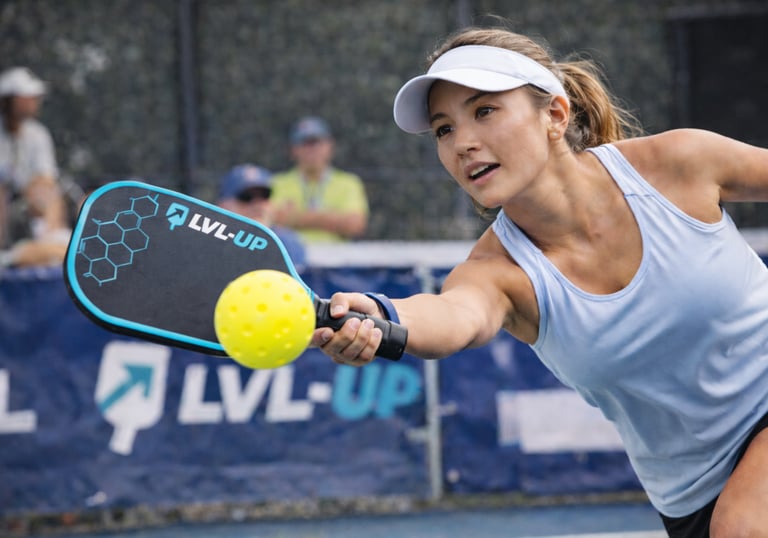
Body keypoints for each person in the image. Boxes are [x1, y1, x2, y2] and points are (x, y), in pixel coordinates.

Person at [310, 26, 768, 537]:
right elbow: (452, 314)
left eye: (485, 111)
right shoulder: (497, 273)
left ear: (555, 114)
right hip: (692, 500)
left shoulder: (678, 163)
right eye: (443, 129)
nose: (463, 143)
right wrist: (383, 315)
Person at [0, 66, 69, 268]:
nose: (34, 102)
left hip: (26, 215)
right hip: (8, 214)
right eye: (27, 97)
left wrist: (38, 195)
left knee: (46, 192)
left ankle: (47, 243)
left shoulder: (39, 134)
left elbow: (45, 180)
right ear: (9, 100)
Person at [270, 116, 369, 243]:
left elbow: (355, 225)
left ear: (329, 146)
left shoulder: (349, 183)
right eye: (305, 144)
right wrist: (333, 218)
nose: (312, 150)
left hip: (336, 255)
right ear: (293, 149)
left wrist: (295, 218)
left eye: (317, 143)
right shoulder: (275, 183)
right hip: (289, 254)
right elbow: (270, 220)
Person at [217, 163, 306, 270]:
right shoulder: (212, 242)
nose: (258, 204)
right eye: (246, 197)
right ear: (223, 205)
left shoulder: (287, 242)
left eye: (264, 196)